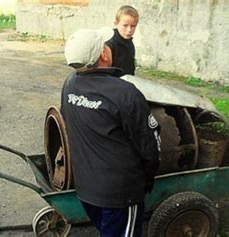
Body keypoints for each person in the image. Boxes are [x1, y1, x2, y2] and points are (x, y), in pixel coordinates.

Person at [61, 28, 161, 237]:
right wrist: (149, 177)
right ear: (104, 55)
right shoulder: (125, 93)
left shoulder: (69, 85)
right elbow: (148, 144)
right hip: (120, 194)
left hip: (86, 188)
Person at [105, 5, 139, 75]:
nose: (129, 30)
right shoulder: (109, 44)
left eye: (133, 26)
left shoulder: (130, 43)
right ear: (116, 24)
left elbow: (131, 67)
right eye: (125, 25)